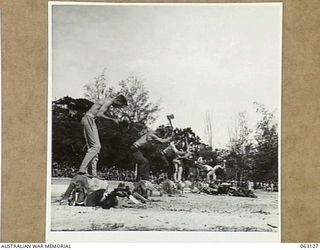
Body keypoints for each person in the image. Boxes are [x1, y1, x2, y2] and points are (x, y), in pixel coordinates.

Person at [77, 95, 128, 177]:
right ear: (118, 101)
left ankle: (93, 173)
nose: (118, 107)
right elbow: (99, 114)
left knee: (97, 147)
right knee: (95, 147)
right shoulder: (109, 102)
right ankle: (82, 170)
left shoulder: (107, 100)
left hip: (90, 120)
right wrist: (113, 119)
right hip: (89, 119)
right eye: (119, 105)